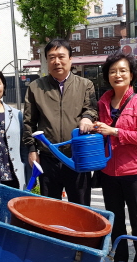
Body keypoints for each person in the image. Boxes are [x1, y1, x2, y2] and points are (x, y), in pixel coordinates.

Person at [93, 52, 137, 262]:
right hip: (109, 172)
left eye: (122, 71)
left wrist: (114, 131)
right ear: (107, 76)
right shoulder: (103, 102)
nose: (117, 75)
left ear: (131, 75)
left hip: (135, 172)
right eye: (112, 71)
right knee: (116, 221)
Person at [23, 38, 97, 205]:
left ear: (70, 59)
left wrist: (87, 117)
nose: (56, 61)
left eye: (61, 56)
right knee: (50, 209)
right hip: (48, 158)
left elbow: (92, 108)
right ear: (46, 61)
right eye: (51, 57)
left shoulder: (85, 84)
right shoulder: (36, 87)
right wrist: (31, 149)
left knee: (81, 209)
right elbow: (29, 121)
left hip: (77, 157)